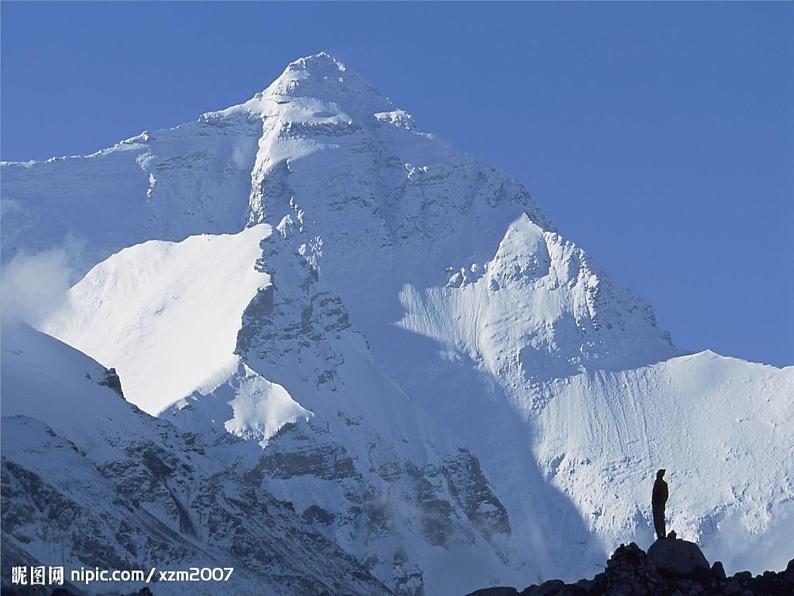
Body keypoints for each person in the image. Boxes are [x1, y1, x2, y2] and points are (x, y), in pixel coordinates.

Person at [652, 469, 668, 540]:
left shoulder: (657, 483)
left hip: (656, 505)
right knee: (661, 520)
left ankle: (660, 535)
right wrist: (663, 502)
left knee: (657, 520)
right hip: (661, 505)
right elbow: (666, 495)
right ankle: (663, 534)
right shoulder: (665, 484)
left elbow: (655, 493)